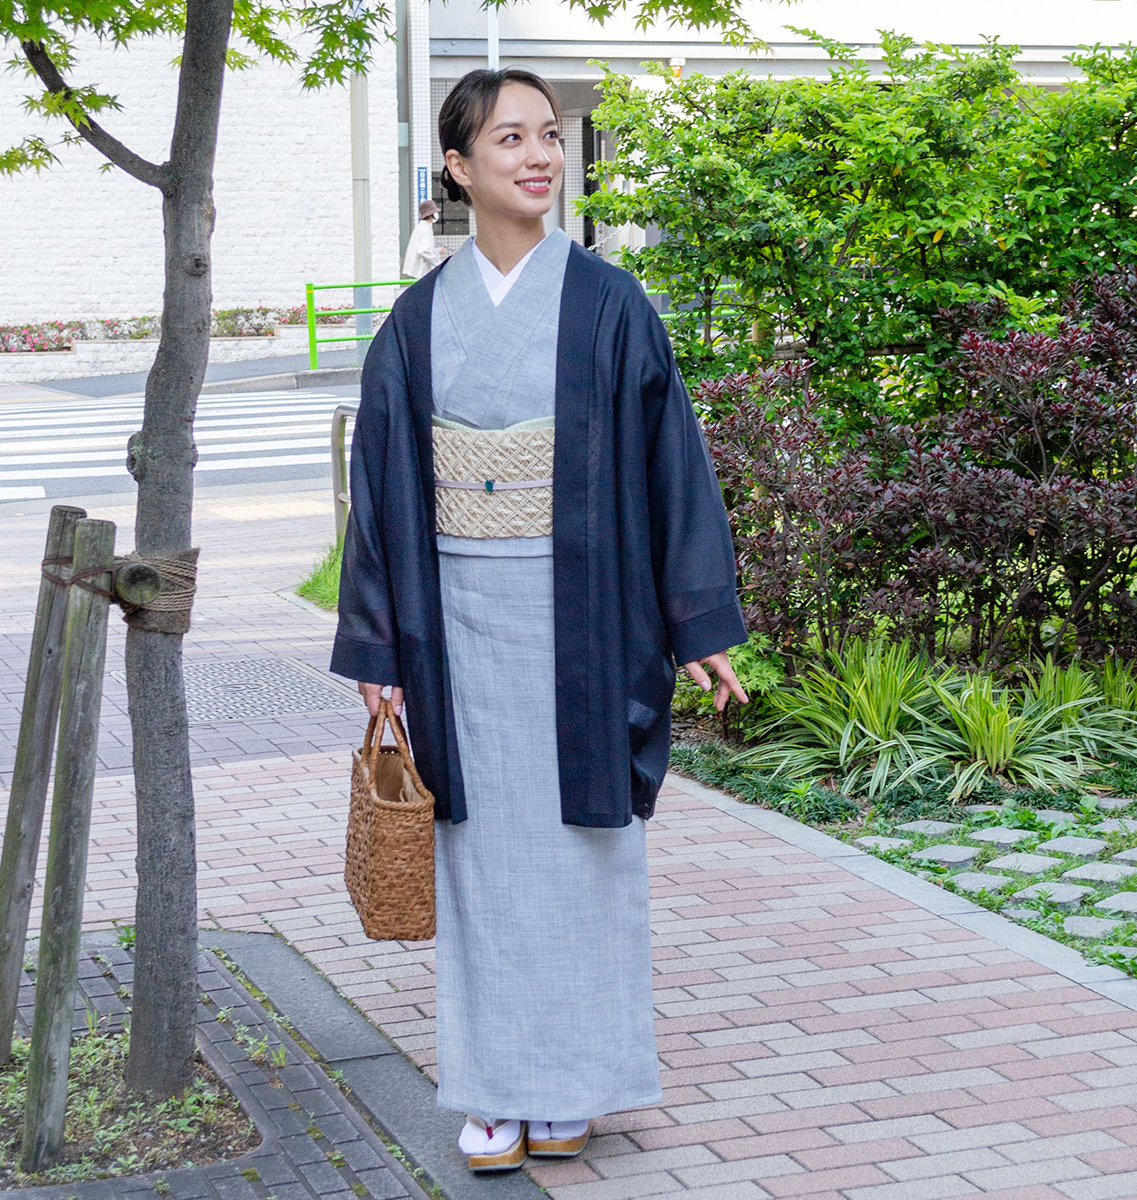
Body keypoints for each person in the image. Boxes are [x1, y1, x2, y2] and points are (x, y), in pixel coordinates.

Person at [330, 66, 749, 1174]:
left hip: (588, 621)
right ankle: (493, 1091)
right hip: (454, 626)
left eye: (549, 138)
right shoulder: (418, 324)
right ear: (459, 168)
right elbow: (378, 494)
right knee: (480, 859)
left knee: (581, 854)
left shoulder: (613, 305)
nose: (539, 157)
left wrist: (696, 623)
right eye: (508, 139)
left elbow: (672, 470)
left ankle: (571, 1085)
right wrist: (377, 646)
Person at [401, 198, 448, 278]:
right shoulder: (426, 230)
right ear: (430, 214)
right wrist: (439, 264)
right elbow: (424, 251)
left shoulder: (420, 227)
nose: (436, 214)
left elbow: (421, 248)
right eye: (435, 212)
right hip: (421, 272)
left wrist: (436, 251)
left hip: (414, 271)